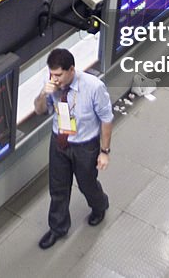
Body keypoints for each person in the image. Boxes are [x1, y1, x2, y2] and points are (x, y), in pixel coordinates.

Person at [34, 48, 113, 249]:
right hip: (60, 141)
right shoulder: (52, 83)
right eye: (52, 74)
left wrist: (104, 152)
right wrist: (44, 93)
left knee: (87, 183)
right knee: (58, 188)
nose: (55, 79)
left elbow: (106, 120)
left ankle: (99, 205)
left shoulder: (94, 87)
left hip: (85, 145)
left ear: (71, 70)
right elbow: (40, 111)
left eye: (59, 75)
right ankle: (58, 228)